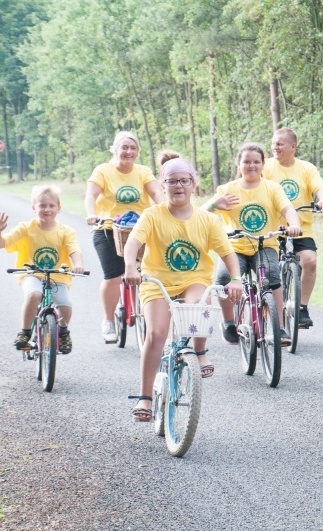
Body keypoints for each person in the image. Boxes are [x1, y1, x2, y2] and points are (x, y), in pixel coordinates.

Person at [122, 155, 242, 422]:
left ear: (194, 184)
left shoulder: (208, 220)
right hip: (156, 282)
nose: (178, 186)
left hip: (193, 280)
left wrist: (236, 279)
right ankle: (145, 396)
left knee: (198, 307)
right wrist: (131, 266)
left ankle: (199, 351)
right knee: (156, 333)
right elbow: (132, 244)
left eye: (184, 181)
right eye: (172, 181)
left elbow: (228, 253)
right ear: (163, 185)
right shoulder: (152, 215)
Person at [203, 143, 302, 346]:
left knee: (273, 276)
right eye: (246, 161)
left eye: (256, 162)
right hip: (234, 247)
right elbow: (200, 215)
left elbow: (288, 209)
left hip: (263, 245)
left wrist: (294, 224)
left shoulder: (272, 188)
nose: (251, 166)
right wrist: (214, 204)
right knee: (223, 279)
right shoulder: (227, 189)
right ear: (239, 164)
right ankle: (229, 323)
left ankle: (280, 327)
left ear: (263, 164)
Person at [85, 131, 161, 343]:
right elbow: (91, 195)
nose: (128, 152)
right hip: (107, 229)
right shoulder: (103, 170)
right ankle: (108, 320)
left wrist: (165, 209)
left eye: (133, 148)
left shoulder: (143, 171)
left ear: (137, 152)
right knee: (114, 275)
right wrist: (92, 215)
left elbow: (157, 194)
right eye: (124, 147)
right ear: (115, 150)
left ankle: (148, 314)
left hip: (139, 228)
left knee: (146, 272)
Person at [0, 185, 85, 354]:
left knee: (65, 305)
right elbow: (4, 243)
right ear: (34, 208)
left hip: (58, 276)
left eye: (51, 206)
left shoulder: (66, 231)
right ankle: (24, 332)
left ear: (58, 209)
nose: (47, 209)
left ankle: (62, 332)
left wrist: (78, 264)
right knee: (34, 294)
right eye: (42, 205)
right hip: (31, 273)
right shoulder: (25, 228)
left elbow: (74, 249)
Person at [262, 128, 323, 328]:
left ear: (293, 147)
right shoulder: (265, 166)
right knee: (266, 269)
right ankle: (267, 305)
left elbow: (319, 187)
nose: (275, 147)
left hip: (300, 227)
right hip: (272, 228)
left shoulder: (306, 168)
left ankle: (302, 308)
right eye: (274, 143)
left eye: (280, 144)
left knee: (309, 261)